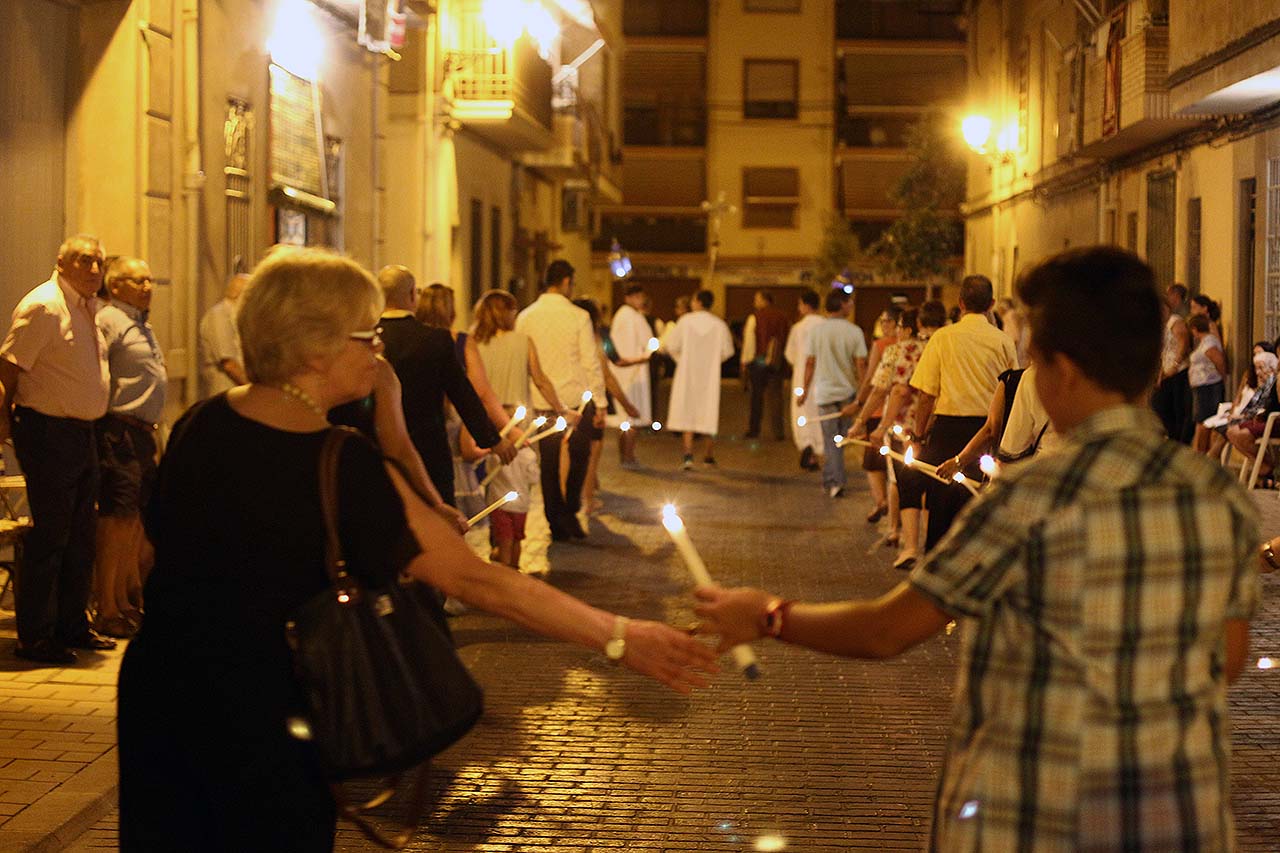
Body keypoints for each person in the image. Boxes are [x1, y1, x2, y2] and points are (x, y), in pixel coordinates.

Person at [116, 247, 716, 851]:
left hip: (160, 697)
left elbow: (151, 554)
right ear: (316, 347)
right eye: (368, 335)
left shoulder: (198, 422)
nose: (379, 349)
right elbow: (479, 582)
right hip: (266, 716)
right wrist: (617, 634)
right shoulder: (341, 461)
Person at [696, 246, 1260, 852]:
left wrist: (768, 615)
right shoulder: (1217, 496)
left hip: (1030, 818)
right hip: (1178, 818)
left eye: (1036, 366)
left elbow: (889, 629)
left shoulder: (1030, 499)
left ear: (1062, 371)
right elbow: (1225, 658)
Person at [0, 235, 117, 664]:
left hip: (82, 433)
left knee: (81, 536)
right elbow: (9, 368)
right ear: (62, 262)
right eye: (85, 261)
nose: (93, 269)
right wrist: (3, 422)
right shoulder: (44, 306)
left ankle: (72, 625)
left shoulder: (87, 308)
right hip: (48, 432)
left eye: (98, 262)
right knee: (51, 536)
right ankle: (35, 636)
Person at [359, 266, 515, 509]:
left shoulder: (365, 339)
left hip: (375, 451)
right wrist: (493, 440)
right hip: (427, 449)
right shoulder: (434, 340)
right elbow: (463, 394)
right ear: (412, 295)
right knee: (438, 519)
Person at [909, 274, 1017, 549]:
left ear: (960, 303)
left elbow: (926, 395)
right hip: (987, 430)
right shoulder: (1003, 341)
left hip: (947, 430)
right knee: (979, 502)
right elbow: (1011, 388)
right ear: (991, 303)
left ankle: (936, 567)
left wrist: (918, 435)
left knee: (942, 504)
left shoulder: (943, 338)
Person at [92, 256, 166, 639]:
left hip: (141, 431)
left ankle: (122, 599)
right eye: (138, 280)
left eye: (150, 279)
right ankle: (105, 605)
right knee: (117, 517)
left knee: (135, 518)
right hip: (118, 429)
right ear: (116, 285)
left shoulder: (138, 321)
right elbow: (94, 370)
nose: (147, 286)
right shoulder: (109, 320)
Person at [849, 301, 945, 569]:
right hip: (941, 427)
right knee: (935, 487)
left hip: (907, 429)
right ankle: (933, 547)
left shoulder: (899, 351)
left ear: (908, 328)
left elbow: (883, 390)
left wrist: (864, 422)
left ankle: (911, 545)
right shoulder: (944, 346)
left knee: (908, 485)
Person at [516, 260, 606, 540]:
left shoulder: (526, 316)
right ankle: (570, 510)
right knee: (580, 456)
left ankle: (555, 518)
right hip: (576, 400)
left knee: (549, 461)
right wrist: (600, 401)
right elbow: (590, 361)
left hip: (543, 400)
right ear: (566, 281)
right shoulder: (579, 316)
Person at [798, 290, 868, 498]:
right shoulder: (854, 332)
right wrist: (862, 396)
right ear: (842, 304)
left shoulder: (817, 332)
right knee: (840, 439)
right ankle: (834, 480)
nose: (852, 306)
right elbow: (861, 364)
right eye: (850, 303)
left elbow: (810, 363)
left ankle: (833, 480)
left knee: (831, 438)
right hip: (847, 393)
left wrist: (804, 391)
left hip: (824, 393)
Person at [665, 290, 735, 470]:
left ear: (697, 301)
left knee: (687, 412)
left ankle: (688, 455)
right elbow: (728, 351)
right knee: (708, 411)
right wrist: (712, 361)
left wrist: (681, 359)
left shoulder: (685, 322)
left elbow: (671, 345)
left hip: (687, 373)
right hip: (709, 376)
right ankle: (708, 456)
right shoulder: (719, 325)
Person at [850, 304, 901, 521]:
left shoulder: (883, 346)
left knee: (873, 463)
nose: (884, 325)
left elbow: (872, 379)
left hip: (879, 410)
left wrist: (859, 403)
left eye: (887, 321)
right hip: (899, 414)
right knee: (896, 467)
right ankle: (894, 513)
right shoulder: (916, 346)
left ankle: (881, 502)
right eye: (882, 321)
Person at [609, 284, 654, 466]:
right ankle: (629, 455)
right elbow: (649, 341)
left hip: (619, 371)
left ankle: (624, 455)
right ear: (630, 297)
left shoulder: (619, 315)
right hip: (635, 370)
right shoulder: (636, 317)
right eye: (638, 297)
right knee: (633, 416)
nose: (641, 301)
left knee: (623, 418)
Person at [740, 290, 790, 441]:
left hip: (758, 362)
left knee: (757, 396)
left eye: (757, 299)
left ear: (764, 300)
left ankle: (754, 429)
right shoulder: (782, 317)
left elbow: (750, 341)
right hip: (776, 361)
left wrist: (745, 360)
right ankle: (778, 431)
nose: (754, 302)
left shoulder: (754, 317)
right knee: (776, 396)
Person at [784, 289, 824, 471]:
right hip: (823, 378)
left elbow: (790, 355)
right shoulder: (826, 325)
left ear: (806, 305)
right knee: (820, 414)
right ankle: (817, 450)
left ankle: (806, 442)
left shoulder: (798, 328)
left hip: (802, 377)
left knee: (802, 413)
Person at [1152, 283, 1193, 443]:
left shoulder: (1175, 322)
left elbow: (1183, 343)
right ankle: (1169, 436)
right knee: (1161, 405)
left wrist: (1175, 365)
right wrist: (1162, 372)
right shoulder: (1161, 325)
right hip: (1167, 370)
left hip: (1179, 371)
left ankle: (1178, 440)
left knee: (1177, 408)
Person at [198, 273, 249, 398]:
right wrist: (255, 390)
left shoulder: (235, 316)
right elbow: (229, 364)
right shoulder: (219, 316)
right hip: (225, 393)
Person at [1188, 313, 1227, 454]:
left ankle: (1200, 452)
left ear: (1194, 329)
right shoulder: (1204, 342)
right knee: (1201, 420)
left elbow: (1219, 360)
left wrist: (1222, 378)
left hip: (1208, 386)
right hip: (1202, 386)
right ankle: (1199, 451)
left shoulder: (1209, 341)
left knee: (1204, 421)